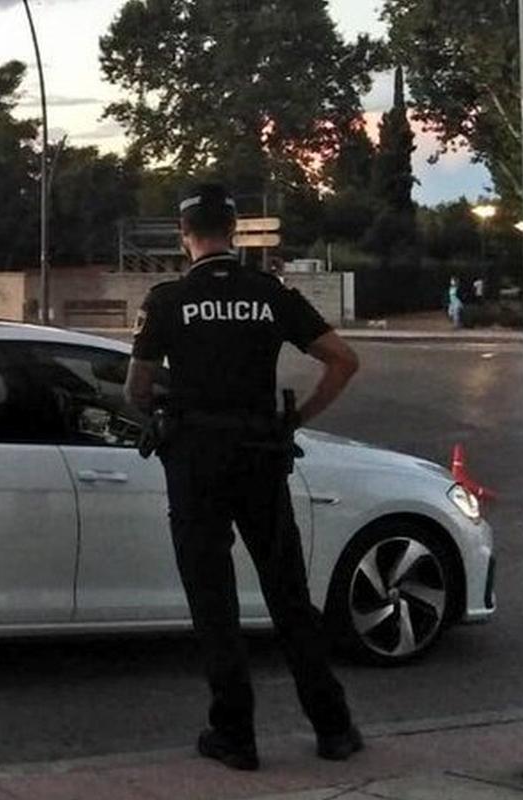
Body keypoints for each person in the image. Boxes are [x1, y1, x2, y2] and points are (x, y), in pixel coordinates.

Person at [125, 184, 364, 771]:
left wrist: (167, 412)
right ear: (233, 232)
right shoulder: (270, 294)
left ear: (184, 235)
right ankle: (333, 727)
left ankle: (235, 735)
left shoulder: (169, 300)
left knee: (213, 600)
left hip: (196, 461)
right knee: (288, 594)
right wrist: (296, 420)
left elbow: (136, 389)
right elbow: (343, 360)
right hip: (260, 455)